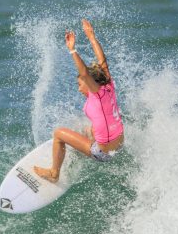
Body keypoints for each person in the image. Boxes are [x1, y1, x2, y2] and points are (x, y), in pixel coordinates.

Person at [34, 19, 124, 183]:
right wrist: (91, 37)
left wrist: (72, 50)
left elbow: (84, 73)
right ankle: (78, 146)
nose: (79, 88)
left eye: (80, 85)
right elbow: (102, 61)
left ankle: (54, 173)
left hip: (103, 154)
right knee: (87, 128)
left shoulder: (97, 93)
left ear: (91, 84)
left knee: (58, 133)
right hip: (119, 146)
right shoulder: (108, 84)